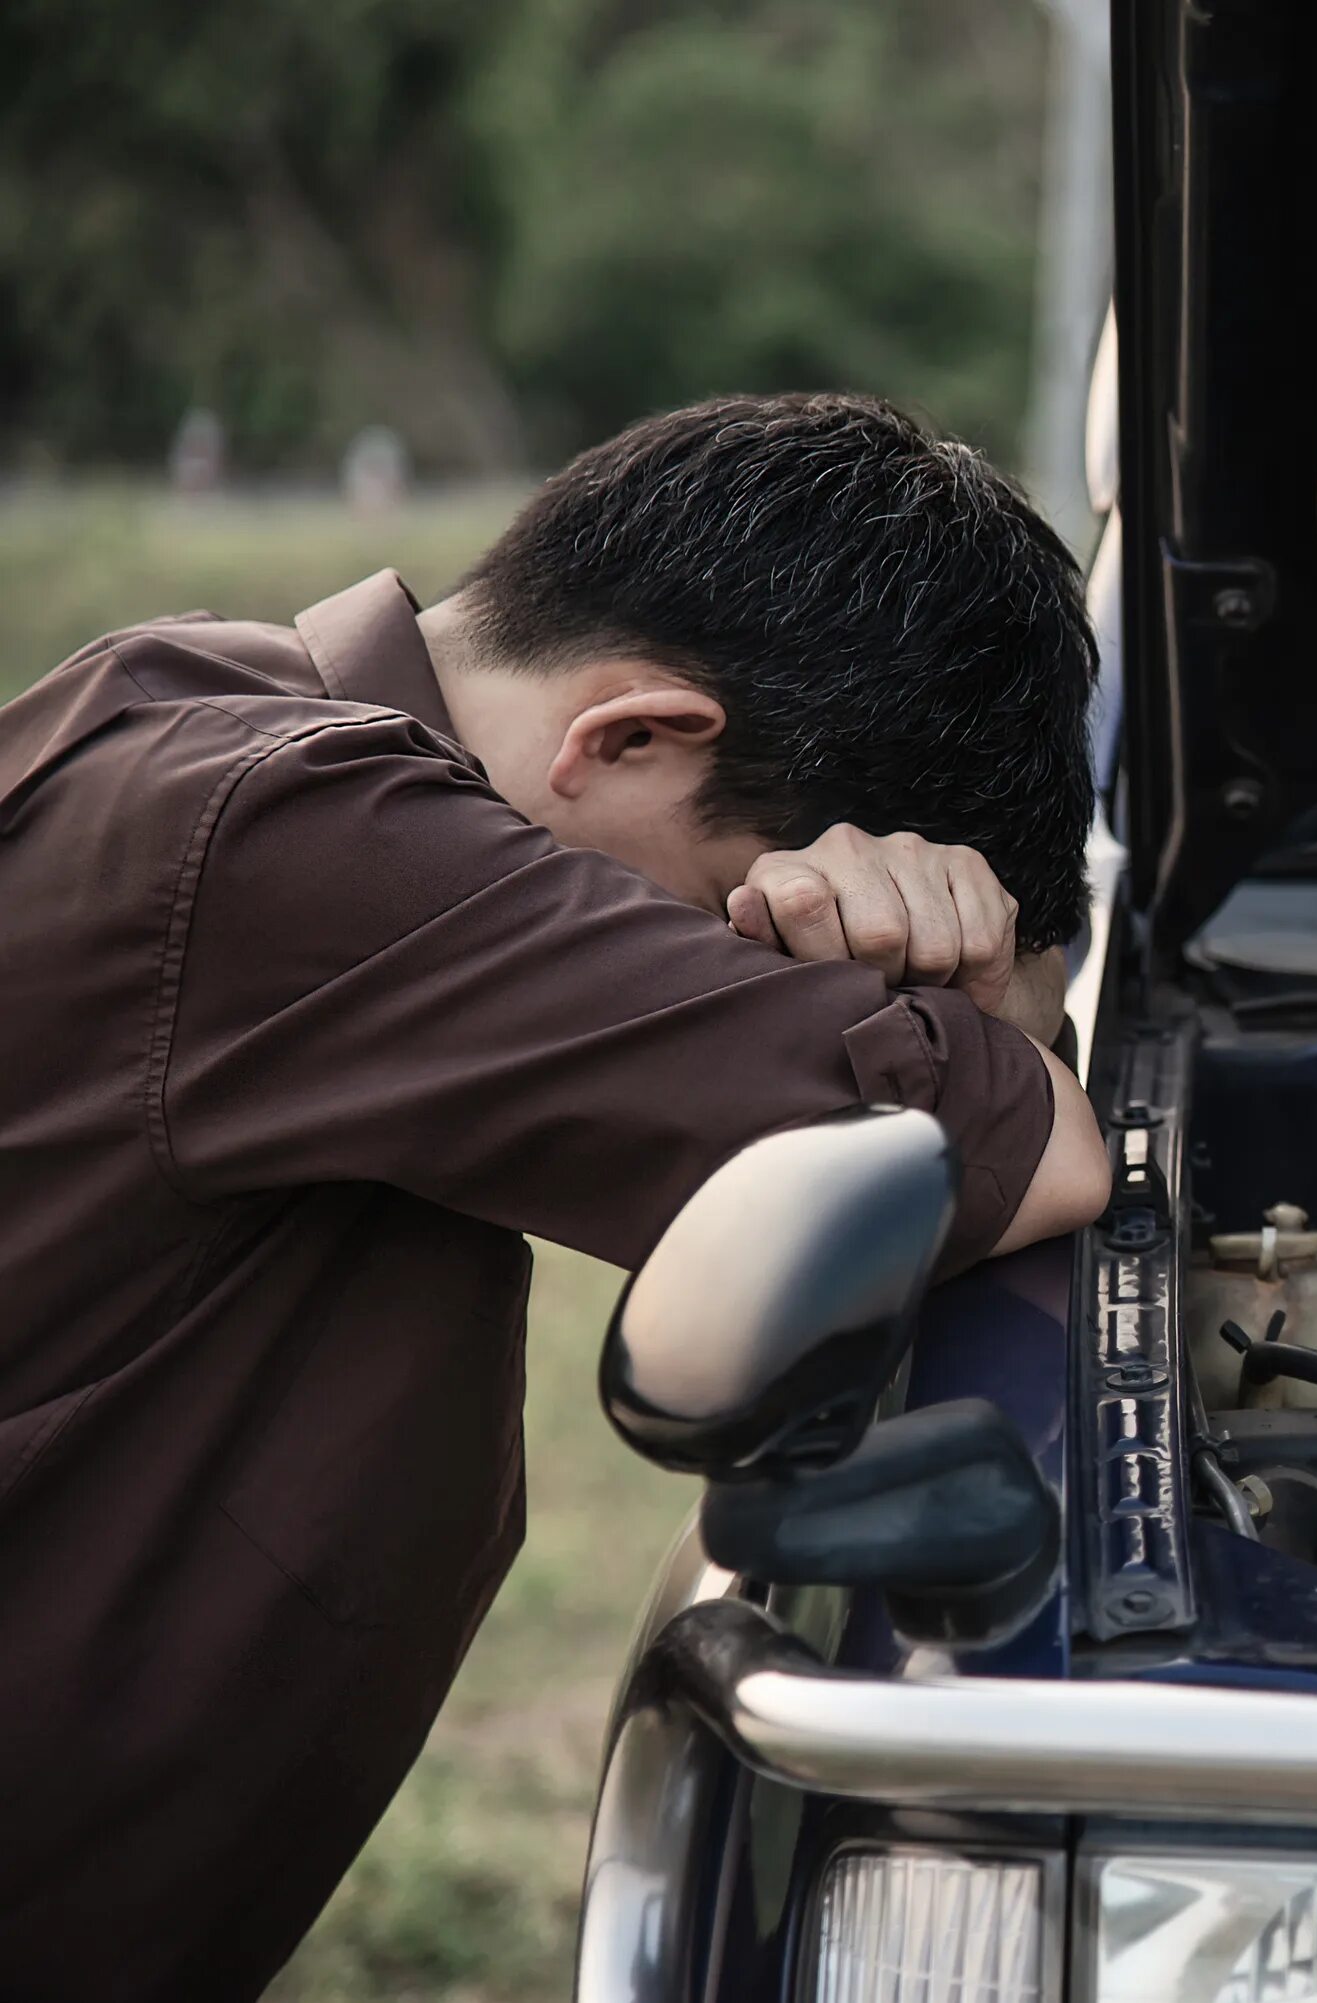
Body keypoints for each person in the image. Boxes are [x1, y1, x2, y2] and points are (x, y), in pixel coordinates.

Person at [0, 393, 1112, 1999]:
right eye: (744, 934)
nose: (727, 993)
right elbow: (1032, 1150)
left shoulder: (204, 714)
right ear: (628, 738)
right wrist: (982, 1010)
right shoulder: (300, 838)